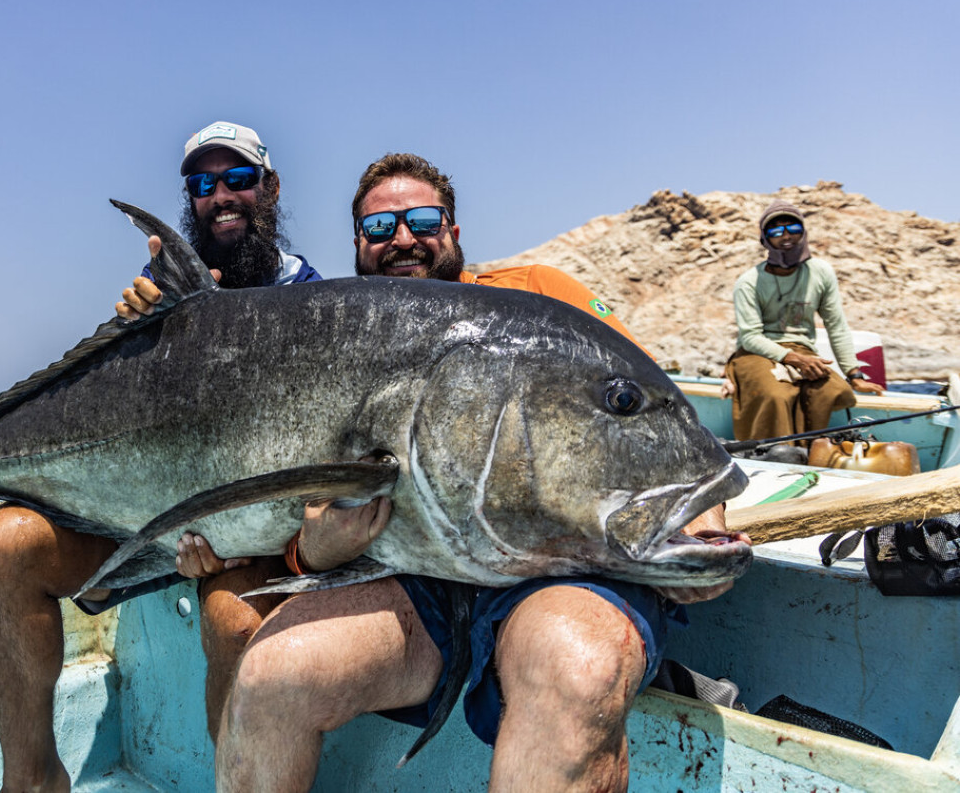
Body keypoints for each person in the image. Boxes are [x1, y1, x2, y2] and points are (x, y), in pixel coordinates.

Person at [137, 153, 746, 792]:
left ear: (453, 230)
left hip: (562, 569)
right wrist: (312, 553)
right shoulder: (344, 336)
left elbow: (650, 413)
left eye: (423, 220)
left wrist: (702, 523)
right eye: (379, 228)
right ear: (357, 245)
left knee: (572, 667)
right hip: (420, 580)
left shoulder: (539, 294)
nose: (402, 238)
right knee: (271, 673)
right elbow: (302, 516)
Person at [0, 120, 320, 793]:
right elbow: (113, 410)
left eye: (238, 179)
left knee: (236, 623)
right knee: (4, 546)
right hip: (141, 517)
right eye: (202, 185)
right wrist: (134, 329)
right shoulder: (162, 291)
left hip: (246, 538)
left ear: (271, 188)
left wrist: (243, 537)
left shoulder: (315, 300)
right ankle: (32, 780)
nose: (221, 197)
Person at [723, 201, 883, 442]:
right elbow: (750, 337)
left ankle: (808, 448)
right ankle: (771, 451)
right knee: (776, 395)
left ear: (804, 233)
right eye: (776, 231)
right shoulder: (749, 282)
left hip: (802, 349)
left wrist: (854, 374)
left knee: (834, 390)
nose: (786, 236)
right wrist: (793, 359)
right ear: (765, 239)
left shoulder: (821, 272)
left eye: (793, 228)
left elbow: (836, 325)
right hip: (757, 352)